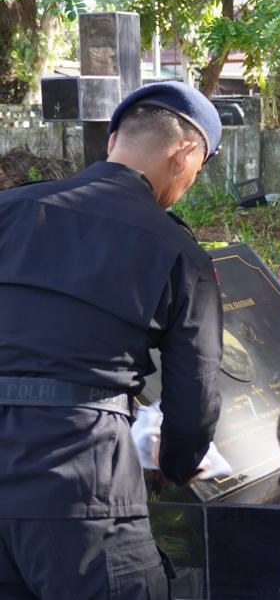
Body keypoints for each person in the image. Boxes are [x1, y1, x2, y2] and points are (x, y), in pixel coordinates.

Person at [0, 81, 225, 598]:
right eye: (199, 166)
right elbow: (195, 395)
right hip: (81, 480)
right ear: (186, 152)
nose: (191, 181)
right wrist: (175, 465)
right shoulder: (177, 251)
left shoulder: (9, 211)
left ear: (112, 142)